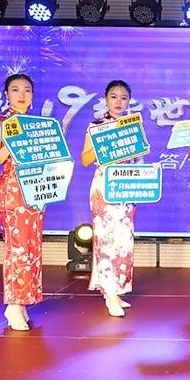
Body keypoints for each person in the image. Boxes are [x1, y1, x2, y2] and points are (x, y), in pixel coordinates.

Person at [0, 73, 43, 331]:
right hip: (12, 191)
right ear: (6, 94)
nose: (22, 95)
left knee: (31, 248)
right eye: (15, 89)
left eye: (27, 90)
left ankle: (22, 301)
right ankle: (13, 303)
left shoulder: (39, 125)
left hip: (37, 191)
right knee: (16, 248)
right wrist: (11, 144)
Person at [81, 80, 137, 317]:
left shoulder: (132, 125)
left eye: (124, 98)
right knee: (106, 240)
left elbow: (138, 158)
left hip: (126, 187)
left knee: (124, 241)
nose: (119, 102)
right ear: (106, 99)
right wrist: (103, 142)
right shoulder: (96, 126)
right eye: (114, 97)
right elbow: (85, 159)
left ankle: (117, 289)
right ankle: (110, 293)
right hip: (103, 188)